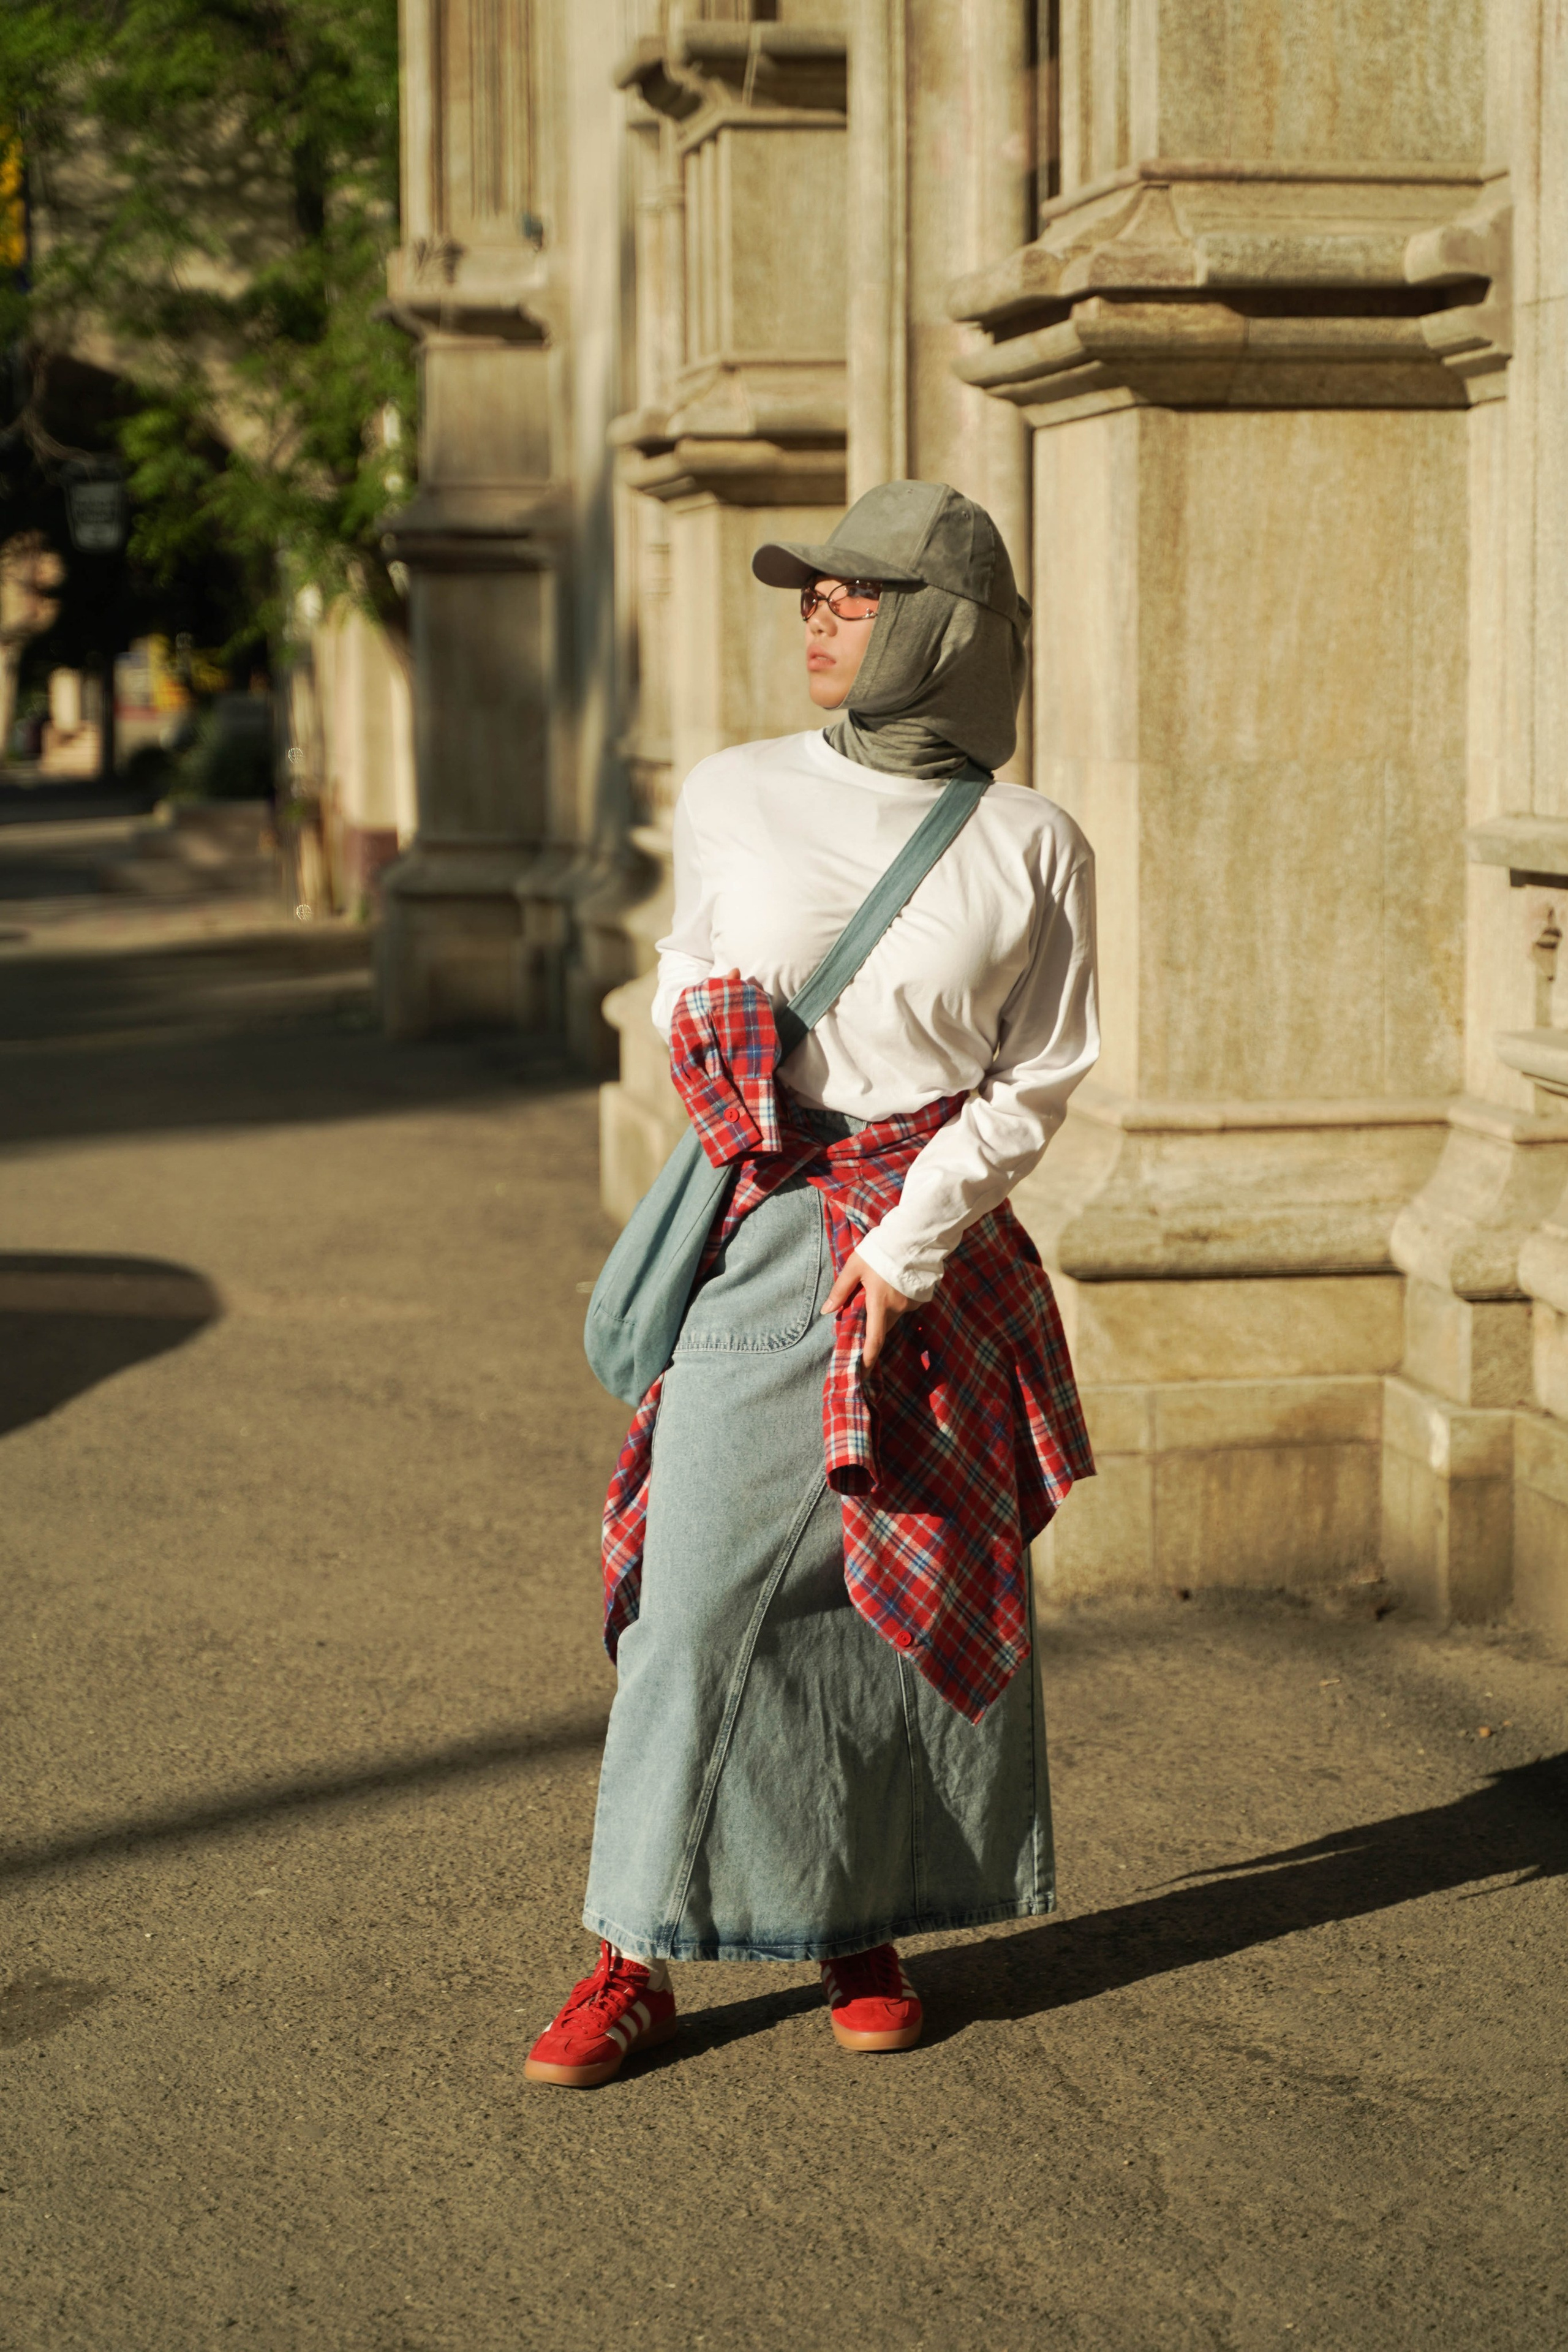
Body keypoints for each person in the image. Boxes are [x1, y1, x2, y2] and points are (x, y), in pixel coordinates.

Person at [526, 480, 1098, 2089]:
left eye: (856, 595)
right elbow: (688, 966)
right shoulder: (737, 794)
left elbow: (1040, 1074)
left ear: (943, 631)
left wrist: (912, 1243)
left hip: (934, 1244)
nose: (817, 616)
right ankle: (628, 1956)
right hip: (766, 1217)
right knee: (698, 1599)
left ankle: (863, 1919)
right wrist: (705, 1034)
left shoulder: (1033, 842)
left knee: (875, 1599)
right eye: (810, 592)